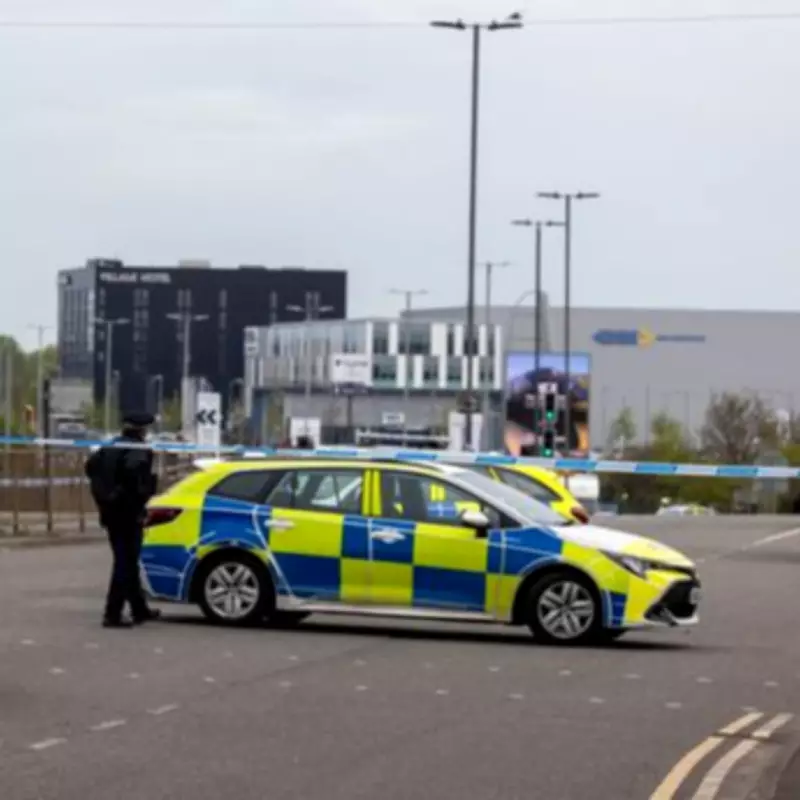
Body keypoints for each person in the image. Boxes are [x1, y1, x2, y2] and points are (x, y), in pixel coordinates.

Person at [85, 412, 161, 629]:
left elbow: (90, 469)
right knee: (125, 562)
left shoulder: (108, 448)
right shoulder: (139, 451)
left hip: (110, 514)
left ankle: (139, 608)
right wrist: (141, 499)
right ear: (142, 430)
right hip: (128, 515)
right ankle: (113, 613)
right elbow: (136, 483)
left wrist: (104, 498)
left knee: (127, 560)